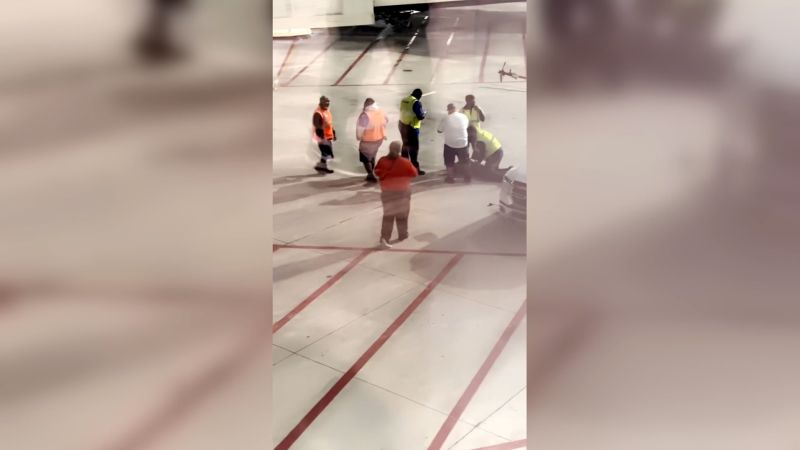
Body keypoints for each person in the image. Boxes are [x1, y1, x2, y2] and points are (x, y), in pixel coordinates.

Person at [374, 141, 418, 249]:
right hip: (403, 192)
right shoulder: (404, 162)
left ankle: (385, 238)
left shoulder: (382, 161)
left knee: (388, 216)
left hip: (387, 193)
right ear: (399, 150)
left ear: (389, 149)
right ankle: (402, 234)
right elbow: (414, 173)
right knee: (402, 215)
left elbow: (376, 172)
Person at [437, 103, 471, 183]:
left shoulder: (446, 118)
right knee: (465, 161)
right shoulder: (464, 117)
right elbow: (466, 127)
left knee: (449, 161)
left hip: (450, 144)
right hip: (463, 143)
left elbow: (439, 130)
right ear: (456, 109)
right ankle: (467, 177)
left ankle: (450, 178)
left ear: (448, 110)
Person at [356, 98, 388, 182]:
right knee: (372, 156)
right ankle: (371, 173)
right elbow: (386, 120)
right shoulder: (380, 111)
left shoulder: (365, 115)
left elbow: (361, 128)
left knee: (366, 158)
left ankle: (370, 175)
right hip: (379, 139)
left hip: (368, 140)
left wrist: (359, 136)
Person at [398, 88, 427, 175]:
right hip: (411, 127)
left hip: (402, 125)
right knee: (414, 149)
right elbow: (420, 116)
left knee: (405, 146)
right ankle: (415, 169)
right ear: (419, 96)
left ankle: (403, 167)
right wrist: (424, 113)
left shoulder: (404, 100)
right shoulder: (416, 102)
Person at [312, 96, 336, 174]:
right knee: (328, 153)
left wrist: (333, 133)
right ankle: (321, 166)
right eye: (325, 102)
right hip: (322, 137)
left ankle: (321, 166)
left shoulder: (327, 111)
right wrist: (322, 136)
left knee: (326, 153)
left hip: (328, 136)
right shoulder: (318, 113)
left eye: (328, 102)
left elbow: (330, 123)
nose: (327, 104)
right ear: (321, 102)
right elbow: (316, 125)